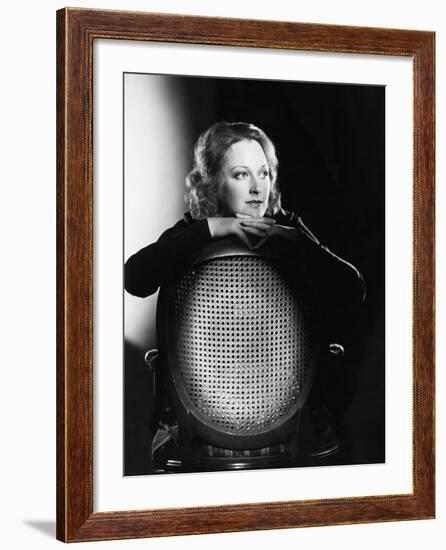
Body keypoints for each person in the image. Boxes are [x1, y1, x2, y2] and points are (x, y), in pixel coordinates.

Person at [125, 121, 365, 465]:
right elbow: (135, 278)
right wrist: (211, 228)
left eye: (264, 174)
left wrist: (289, 239)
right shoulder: (192, 233)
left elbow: (352, 290)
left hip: (287, 413)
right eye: (240, 175)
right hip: (202, 413)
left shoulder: (287, 228)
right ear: (213, 183)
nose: (257, 188)